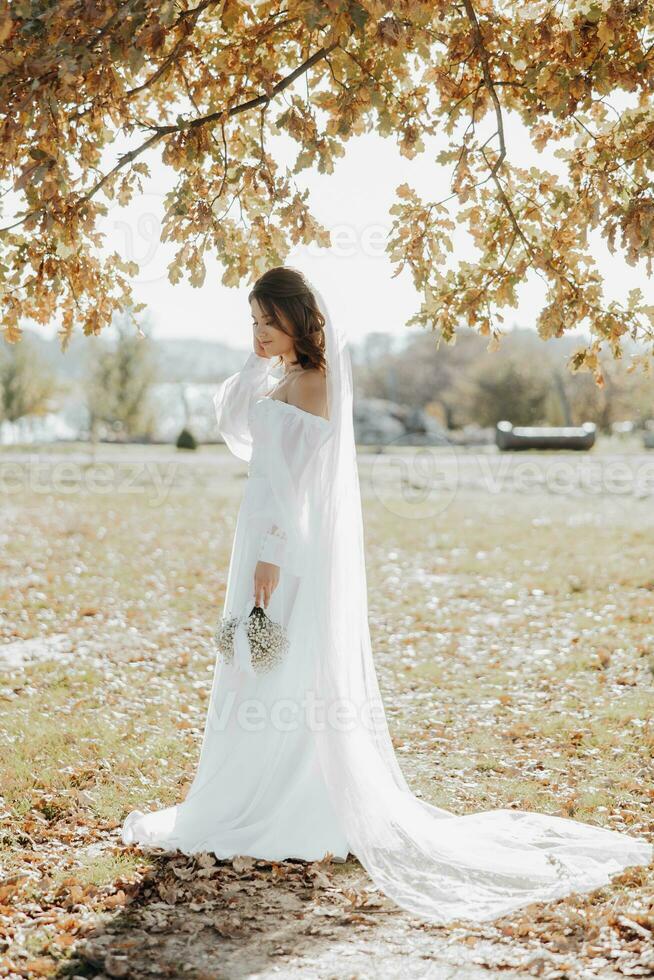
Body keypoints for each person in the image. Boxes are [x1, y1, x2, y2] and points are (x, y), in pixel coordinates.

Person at [123, 266, 652, 924]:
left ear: (298, 319)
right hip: (256, 540)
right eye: (252, 321)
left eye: (269, 321)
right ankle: (240, 786)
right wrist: (259, 360)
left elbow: (296, 484)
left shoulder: (314, 382)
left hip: (279, 546)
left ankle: (290, 795)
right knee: (250, 668)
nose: (258, 333)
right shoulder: (281, 376)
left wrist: (270, 556)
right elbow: (237, 429)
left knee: (279, 668)